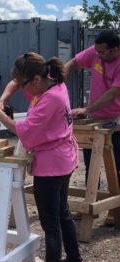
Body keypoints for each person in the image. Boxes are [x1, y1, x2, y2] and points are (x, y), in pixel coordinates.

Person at [0, 52, 84, 262]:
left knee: (51, 224)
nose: (21, 88)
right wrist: (2, 100)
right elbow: (15, 81)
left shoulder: (49, 100)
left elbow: (23, 132)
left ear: (36, 80)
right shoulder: (54, 82)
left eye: (24, 84)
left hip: (52, 164)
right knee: (62, 214)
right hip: (63, 159)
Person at [65, 31, 120, 185]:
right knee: (91, 163)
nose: (98, 55)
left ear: (115, 50)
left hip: (117, 118)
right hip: (95, 117)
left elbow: (112, 94)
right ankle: (91, 198)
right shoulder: (97, 52)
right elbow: (74, 62)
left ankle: (116, 206)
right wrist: (62, 74)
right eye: (96, 51)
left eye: (102, 52)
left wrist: (87, 110)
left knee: (117, 164)